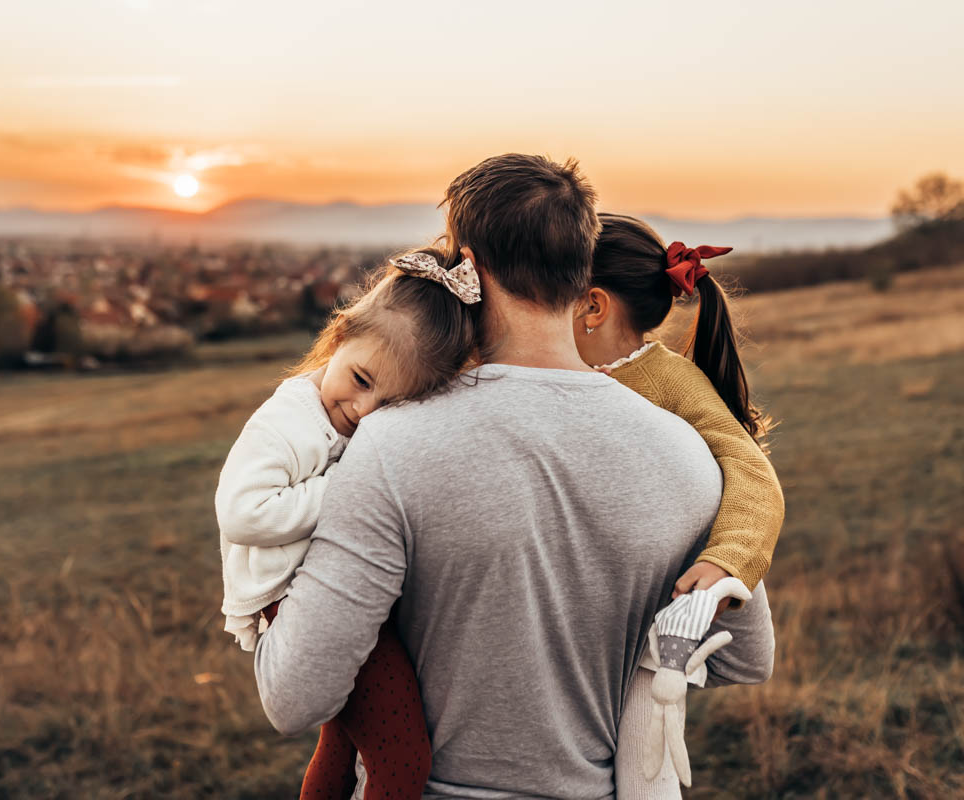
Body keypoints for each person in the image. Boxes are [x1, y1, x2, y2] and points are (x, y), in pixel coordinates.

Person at [255, 154, 775, 799]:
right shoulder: (688, 451)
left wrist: (263, 591)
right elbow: (745, 657)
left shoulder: (392, 442)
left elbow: (294, 696)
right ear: (577, 268)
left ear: (467, 266)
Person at [215, 248, 479, 799]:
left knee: (343, 746)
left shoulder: (345, 408)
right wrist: (351, 489)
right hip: (294, 594)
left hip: (338, 582)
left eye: (388, 404)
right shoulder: (285, 422)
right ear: (338, 336)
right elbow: (244, 512)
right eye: (361, 379)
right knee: (403, 759)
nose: (363, 410)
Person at [570, 213, 785, 798]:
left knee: (647, 766)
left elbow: (751, 472)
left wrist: (727, 563)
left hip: (657, 622)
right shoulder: (557, 373)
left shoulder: (671, 383)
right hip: (591, 618)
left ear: (593, 307)